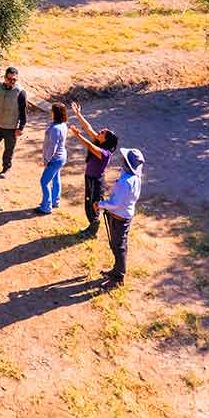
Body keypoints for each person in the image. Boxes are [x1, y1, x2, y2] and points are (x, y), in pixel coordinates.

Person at [69, 101, 120, 237]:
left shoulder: (104, 153)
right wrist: (78, 114)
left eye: (102, 133)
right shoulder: (100, 142)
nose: (100, 132)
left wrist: (77, 134)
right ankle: (91, 228)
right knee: (88, 202)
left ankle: (93, 231)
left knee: (94, 204)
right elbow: (88, 128)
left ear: (106, 140)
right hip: (90, 178)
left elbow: (90, 147)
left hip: (96, 181)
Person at [96, 148, 145, 290]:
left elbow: (115, 204)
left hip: (120, 217)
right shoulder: (134, 178)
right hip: (123, 216)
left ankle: (118, 278)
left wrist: (100, 205)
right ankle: (116, 271)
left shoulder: (125, 181)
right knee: (118, 245)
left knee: (119, 248)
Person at [37, 103, 68, 214]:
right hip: (61, 157)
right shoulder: (63, 125)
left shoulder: (55, 129)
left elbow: (52, 148)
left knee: (44, 181)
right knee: (55, 178)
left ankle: (46, 207)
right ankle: (55, 201)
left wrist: (46, 160)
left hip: (54, 159)